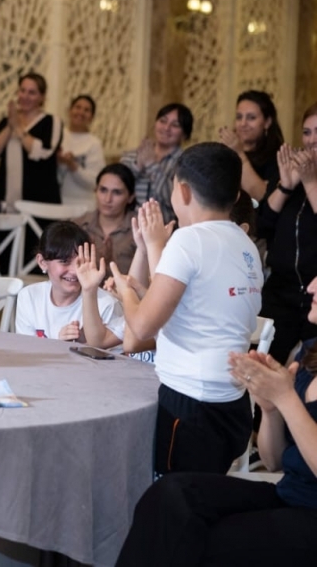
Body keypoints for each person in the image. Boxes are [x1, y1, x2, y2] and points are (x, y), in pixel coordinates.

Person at [114, 281, 317, 566]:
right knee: (172, 494)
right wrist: (270, 409)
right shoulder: (310, 354)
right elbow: (274, 462)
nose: (310, 287)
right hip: (290, 495)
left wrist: (286, 399)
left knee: (200, 542)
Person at [110, 142, 262, 475]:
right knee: (204, 494)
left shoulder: (188, 240)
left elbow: (142, 327)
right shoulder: (245, 243)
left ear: (182, 191)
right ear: (236, 195)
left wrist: (125, 290)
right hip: (234, 403)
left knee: (177, 496)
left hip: (193, 405)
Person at [257, 104, 317, 365]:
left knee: (307, 372)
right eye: (306, 132)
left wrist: (311, 182)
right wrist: (285, 186)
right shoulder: (289, 170)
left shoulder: (309, 177)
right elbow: (262, 226)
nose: (311, 140)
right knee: (261, 363)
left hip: (315, 296)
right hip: (280, 291)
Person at [15, 221, 125, 348]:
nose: (74, 271)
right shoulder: (29, 296)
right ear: (42, 262)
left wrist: (84, 344)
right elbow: (26, 352)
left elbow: (117, 357)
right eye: (65, 261)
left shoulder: (106, 304)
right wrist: (58, 345)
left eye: (80, 262)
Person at [0, 71, 63, 206]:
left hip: (41, 200)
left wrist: (18, 128)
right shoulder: (7, 121)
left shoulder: (52, 121)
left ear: (42, 97)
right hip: (7, 199)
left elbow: (44, 152)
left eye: (32, 93)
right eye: (22, 91)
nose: (25, 96)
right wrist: (10, 126)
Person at [120, 103, 193, 226]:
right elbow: (116, 186)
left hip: (165, 229)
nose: (166, 128)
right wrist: (138, 166)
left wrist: (151, 165)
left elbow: (176, 199)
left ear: (185, 134)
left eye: (175, 125)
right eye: (162, 121)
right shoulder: (131, 155)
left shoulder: (187, 163)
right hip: (127, 229)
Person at [72, 164, 138, 274]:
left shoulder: (141, 229)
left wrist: (110, 262)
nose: (108, 199)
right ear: (95, 191)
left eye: (117, 192)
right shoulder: (78, 226)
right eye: (103, 190)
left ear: (130, 197)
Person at [219, 90, 284, 202]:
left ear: (267, 122)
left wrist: (239, 153)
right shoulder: (227, 152)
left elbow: (262, 197)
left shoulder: (278, 157)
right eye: (239, 117)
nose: (243, 123)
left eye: (251, 118)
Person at [58, 95, 106, 207]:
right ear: (70, 111)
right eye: (77, 107)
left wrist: (72, 165)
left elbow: (95, 182)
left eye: (86, 110)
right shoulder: (58, 135)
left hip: (83, 204)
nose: (81, 112)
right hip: (57, 201)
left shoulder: (94, 143)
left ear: (91, 117)